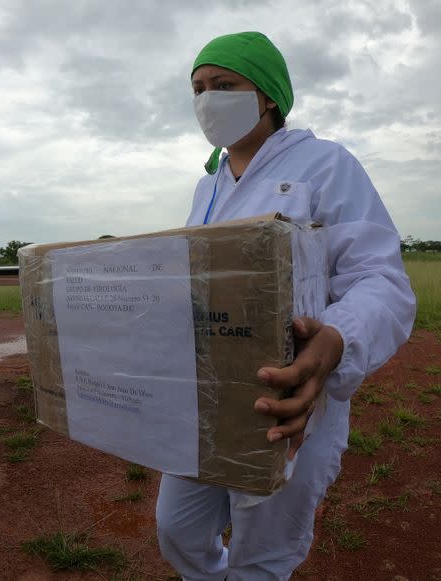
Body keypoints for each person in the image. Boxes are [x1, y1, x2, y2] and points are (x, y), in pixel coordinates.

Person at [155, 31, 416, 580]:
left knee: (265, 547)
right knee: (177, 529)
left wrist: (336, 339)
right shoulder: (208, 187)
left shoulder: (325, 164)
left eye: (223, 84)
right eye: (198, 88)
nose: (206, 99)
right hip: (210, 394)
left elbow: (380, 278)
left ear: (268, 94)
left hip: (289, 393)